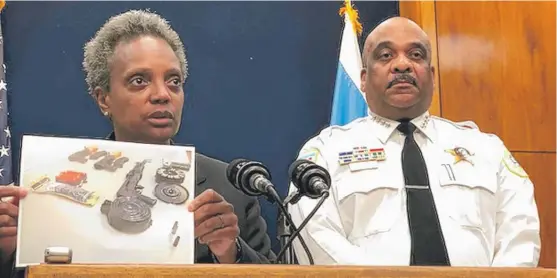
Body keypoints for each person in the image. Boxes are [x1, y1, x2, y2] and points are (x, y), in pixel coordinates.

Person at [0, 9, 275, 277]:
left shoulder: (231, 191)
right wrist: (8, 250)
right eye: (139, 81)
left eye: (174, 81)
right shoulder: (49, 194)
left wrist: (230, 252)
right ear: (103, 98)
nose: (162, 95)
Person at [288, 16, 540, 266]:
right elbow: (316, 236)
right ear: (363, 78)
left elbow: (519, 235)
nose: (402, 65)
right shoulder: (325, 153)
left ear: (431, 75)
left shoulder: (487, 150)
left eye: (416, 55)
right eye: (385, 55)